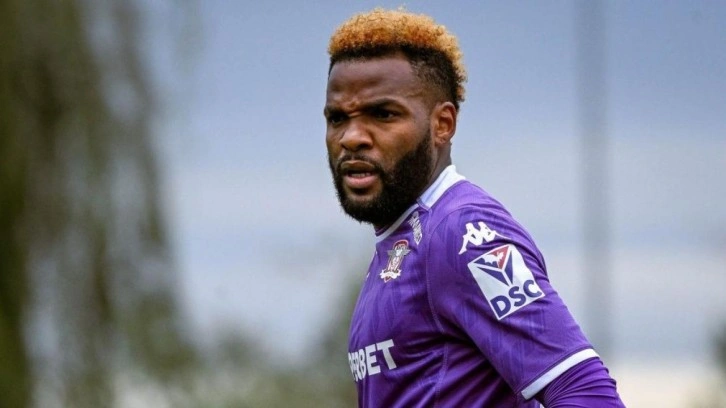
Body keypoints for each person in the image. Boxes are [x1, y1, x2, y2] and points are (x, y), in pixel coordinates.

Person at [324, 8, 625, 408]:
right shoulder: (398, 245)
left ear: (442, 124)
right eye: (337, 118)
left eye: (383, 114)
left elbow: (586, 393)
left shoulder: (464, 232)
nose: (352, 137)